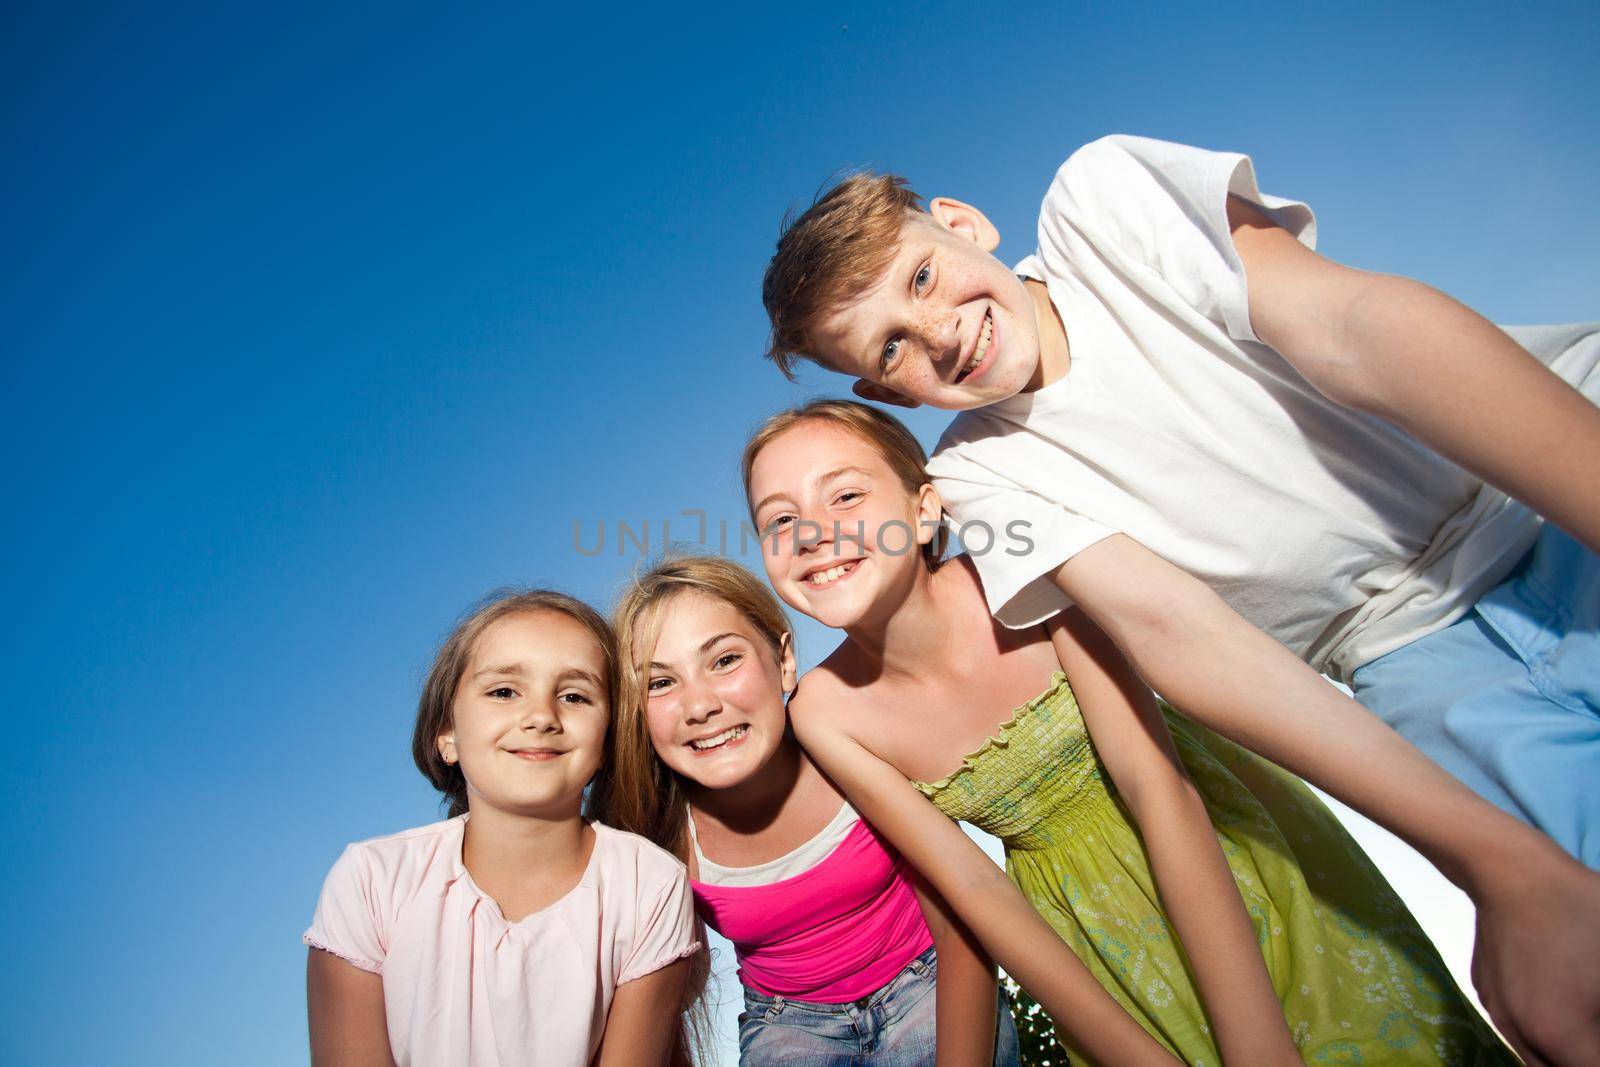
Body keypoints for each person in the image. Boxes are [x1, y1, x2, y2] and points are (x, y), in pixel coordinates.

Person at [758, 136, 1600, 1064]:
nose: (940, 333)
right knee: (1568, 975)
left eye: (921, 279)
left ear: (962, 224)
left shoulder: (1100, 206)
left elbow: (1355, 329)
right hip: (1412, 661)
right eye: (893, 347)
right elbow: (1176, 632)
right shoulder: (980, 480)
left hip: (1554, 486)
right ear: (888, 394)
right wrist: (1498, 865)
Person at [740, 400, 1514, 1066]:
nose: (814, 530)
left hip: (1225, 851)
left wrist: (1259, 1049)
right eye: (779, 519)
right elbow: (976, 889)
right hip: (1089, 941)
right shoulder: (825, 711)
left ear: (924, 507)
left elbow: (1154, 783)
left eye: (844, 494)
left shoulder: (1026, 574)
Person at [594, 554, 1020, 1065]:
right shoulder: (659, 837)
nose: (700, 705)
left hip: (928, 980)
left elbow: (962, 927)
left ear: (784, 660)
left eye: (725, 660)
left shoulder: (850, 746)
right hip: (788, 1022)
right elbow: (668, 994)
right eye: (660, 683)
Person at [303, 590, 699, 1067]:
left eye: (574, 696)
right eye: (504, 691)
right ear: (446, 732)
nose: (540, 717)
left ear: (608, 737)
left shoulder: (650, 885)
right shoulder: (370, 881)